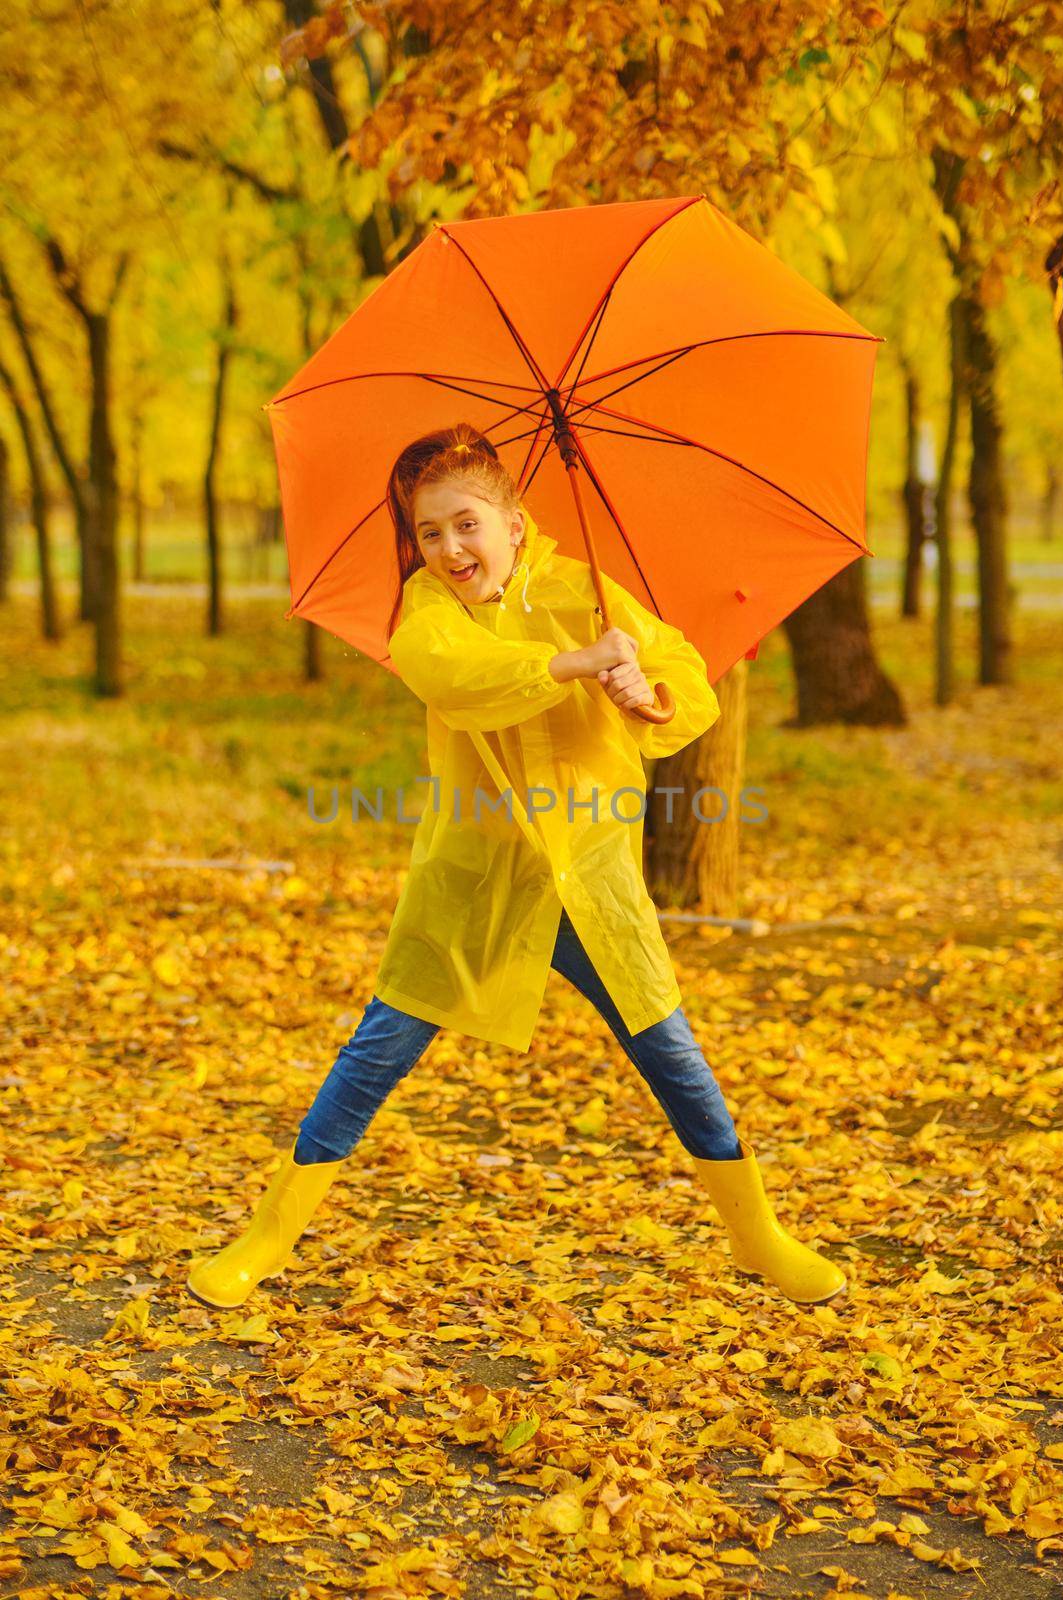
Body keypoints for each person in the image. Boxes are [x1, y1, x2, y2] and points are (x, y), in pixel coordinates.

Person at [186, 425, 846, 1311]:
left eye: (466, 524)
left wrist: (644, 697)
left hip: (591, 875)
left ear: (515, 522)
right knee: (376, 1053)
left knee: (671, 1054)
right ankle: (266, 1237)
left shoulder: (589, 593)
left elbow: (684, 674)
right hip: (477, 875)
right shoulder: (427, 611)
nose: (450, 547)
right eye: (429, 532)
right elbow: (450, 674)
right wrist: (573, 663)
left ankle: (756, 1234)